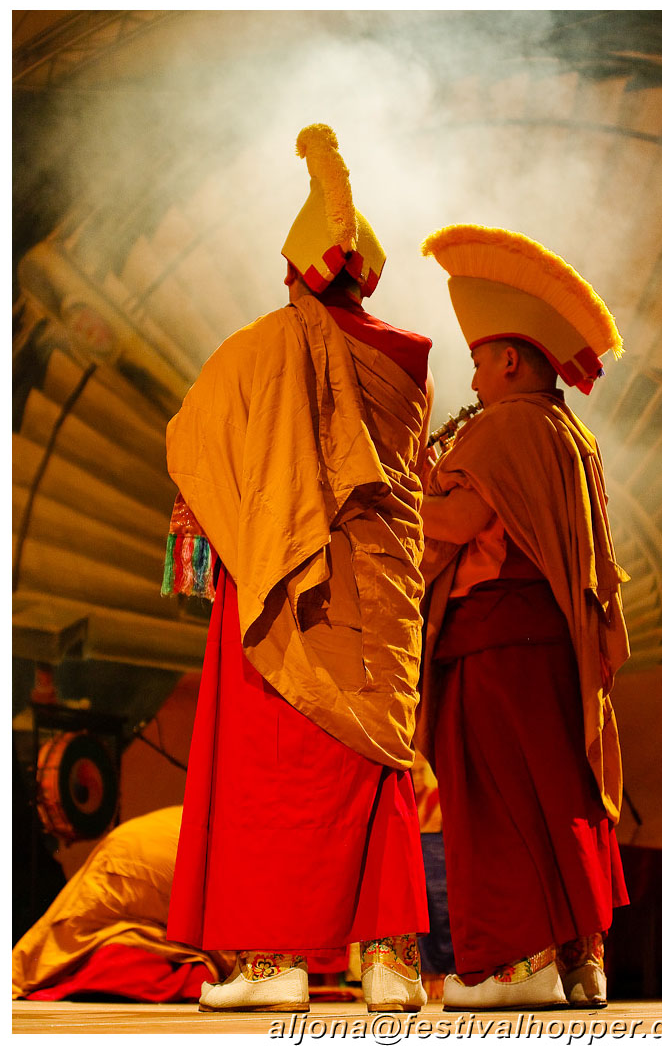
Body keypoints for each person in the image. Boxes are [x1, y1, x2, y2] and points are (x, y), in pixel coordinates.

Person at [161, 124, 434, 1014]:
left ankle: (267, 961)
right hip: (383, 592)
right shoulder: (409, 363)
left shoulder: (260, 349)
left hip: (283, 584)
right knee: (374, 764)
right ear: (370, 278)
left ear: (294, 273)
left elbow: (196, 444)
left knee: (268, 777)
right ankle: (389, 962)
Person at [415, 224, 631, 1010]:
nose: (473, 376)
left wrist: (393, 493)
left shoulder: (503, 425)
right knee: (556, 790)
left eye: (477, 360)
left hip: (494, 642)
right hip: (548, 644)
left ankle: (514, 966)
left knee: (496, 799)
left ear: (509, 359)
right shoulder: (569, 434)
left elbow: (463, 518)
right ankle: (580, 962)